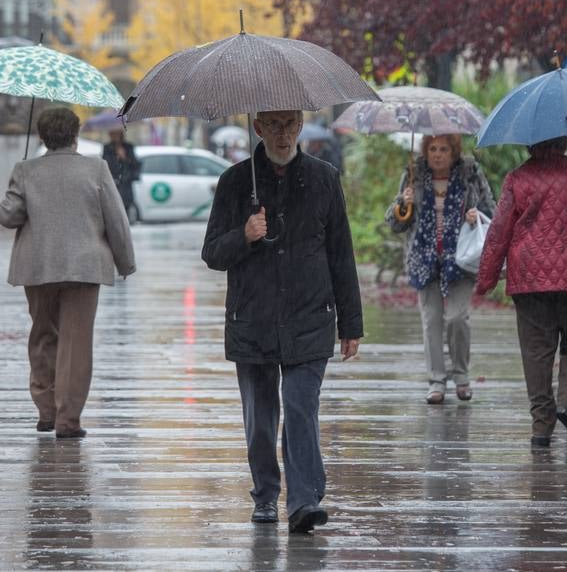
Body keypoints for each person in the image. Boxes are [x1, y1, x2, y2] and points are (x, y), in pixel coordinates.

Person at [202, 109, 363, 534]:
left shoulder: (325, 178)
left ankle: (304, 499)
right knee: (260, 418)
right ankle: (266, 494)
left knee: (299, 406)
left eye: (290, 124)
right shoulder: (235, 182)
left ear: (300, 125)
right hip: (252, 317)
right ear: (257, 127)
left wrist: (351, 323)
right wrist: (244, 235)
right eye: (273, 125)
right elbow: (212, 253)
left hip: (310, 315)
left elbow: (341, 253)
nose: (283, 134)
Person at [0, 107, 135, 438]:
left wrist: (18, 188)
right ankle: (68, 419)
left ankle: (46, 409)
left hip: (38, 266)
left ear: (42, 137)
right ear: (75, 135)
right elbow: (116, 220)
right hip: (84, 268)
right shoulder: (96, 169)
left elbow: (7, 216)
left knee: (43, 334)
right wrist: (125, 262)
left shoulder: (26, 170)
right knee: (76, 342)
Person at [475, 136, 567, 448]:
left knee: (537, 351)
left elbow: (499, 232)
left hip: (530, 278)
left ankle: (541, 427)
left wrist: (485, 280)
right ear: (565, 141)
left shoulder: (517, 178)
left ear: (530, 143)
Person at [386, 134, 495, 404]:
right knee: (431, 321)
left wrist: (475, 215)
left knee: (458, 318)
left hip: (460, 259)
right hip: (424, 260)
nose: (437, 154)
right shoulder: (413, 174)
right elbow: (395, 223)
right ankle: (436, 381)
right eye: (432, 149)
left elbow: (491, 212)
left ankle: (461, 376)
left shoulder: (470, 174)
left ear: (453, 151)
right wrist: (403, 203)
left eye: (443, 149)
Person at [102, 128, 142, 222]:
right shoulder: (107, 148)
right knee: (112, 213)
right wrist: (115, 156)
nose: (113, 135)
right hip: (112, 184)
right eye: (111, 133)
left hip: (125, 185)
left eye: (115, 133)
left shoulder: (128, 147)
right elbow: (105, 165)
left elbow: (135, 165)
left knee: (125, 213)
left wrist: (124, 158)